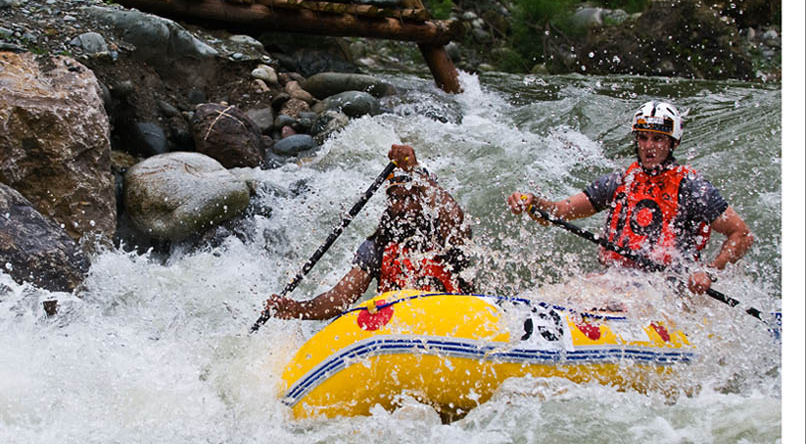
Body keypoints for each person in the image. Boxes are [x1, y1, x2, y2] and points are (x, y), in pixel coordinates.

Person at [507, 100, 754, 295]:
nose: (649, 146)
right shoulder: (619, 182)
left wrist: (708, 273)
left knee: (600, 297)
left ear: (673, 144)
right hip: (618, 280)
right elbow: (560, 211)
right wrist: (533, 202)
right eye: (643, 137)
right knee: (557, 293)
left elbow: (741, 234)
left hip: (666, 289)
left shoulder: (692, 188)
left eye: (658, 139)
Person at [266, 143, 474, 321]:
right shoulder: (378, 245)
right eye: (395, 198)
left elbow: (454, 216)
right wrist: (297, 309)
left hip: (452, 320)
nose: (401, 206)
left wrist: (415, 171)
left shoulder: (445, 234)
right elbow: (341, 297)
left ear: (424, 200)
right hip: (404, 331)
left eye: (409, 198)